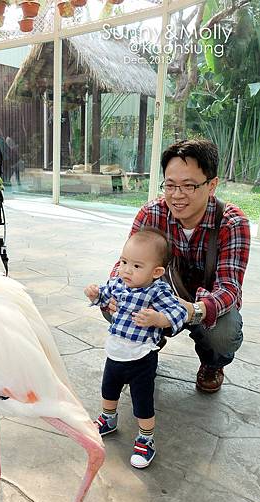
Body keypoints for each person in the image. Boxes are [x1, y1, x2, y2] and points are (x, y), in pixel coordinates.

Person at [106, 139, 251, 394]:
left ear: (212, 185)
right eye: (170, 185)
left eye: (189, 186)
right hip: (160, 297)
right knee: (116, 305)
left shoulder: (231, 223)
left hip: (203, 306)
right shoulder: (152, 214)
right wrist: (114, 291)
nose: (176, 195)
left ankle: (212, 364)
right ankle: (145, 348)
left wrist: (194, 310)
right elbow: (125, 263)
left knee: (223, 333)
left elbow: (230, 289)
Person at [85, 228, 187, 468]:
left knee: (142, 402)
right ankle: (108, 419)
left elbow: (179, 312)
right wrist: (95, 294)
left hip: (141, 357)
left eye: (137, 266)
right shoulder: (119, 283)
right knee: (108, 390)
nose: (126, 270)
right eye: (124, 261)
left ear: (157, 272)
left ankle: (145, 439)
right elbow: (103, 297)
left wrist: (158, 319)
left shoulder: (158, 290)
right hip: (116, 352)